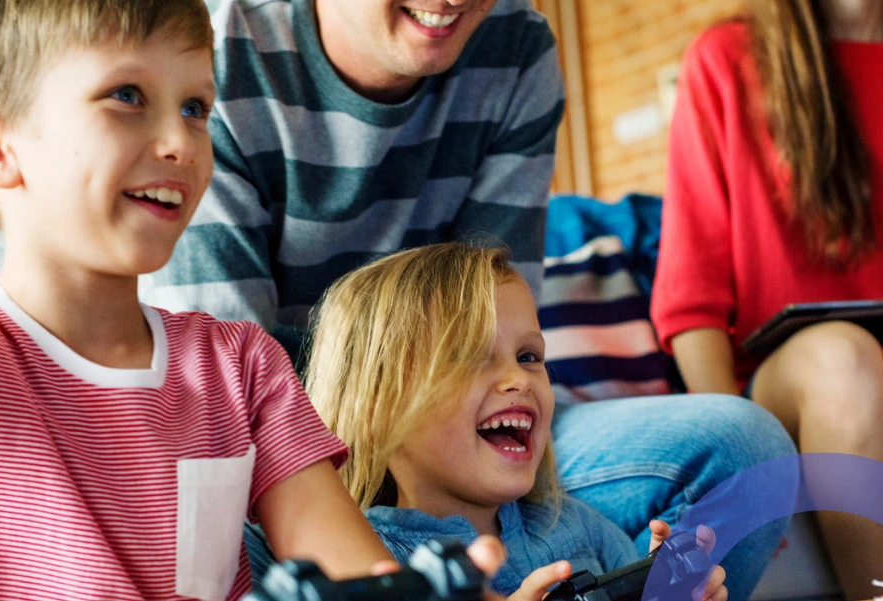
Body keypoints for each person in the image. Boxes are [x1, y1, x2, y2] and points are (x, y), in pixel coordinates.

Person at [0, 0, 507, 599]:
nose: (180, 141)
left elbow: (354, 572)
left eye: (196, 107)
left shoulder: (241, 367)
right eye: (128, 95)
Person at [140, 1, 795, 599]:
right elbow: (233, 397)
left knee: (744, 448)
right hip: (308, 430)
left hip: (462, 422)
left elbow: (502, 301)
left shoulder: (516, 42)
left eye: (533, 359)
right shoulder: (213, 60)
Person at [302, 243, 728, 601]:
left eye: (529, 357)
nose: (518, 379)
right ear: (378, 407)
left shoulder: (575, 523)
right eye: (471, 357)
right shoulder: (372, 564)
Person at [652, 1, 883, 597]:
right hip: (790, 380)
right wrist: (734, 452)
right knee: (845, 363)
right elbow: (691, 297)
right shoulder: (725, 59)